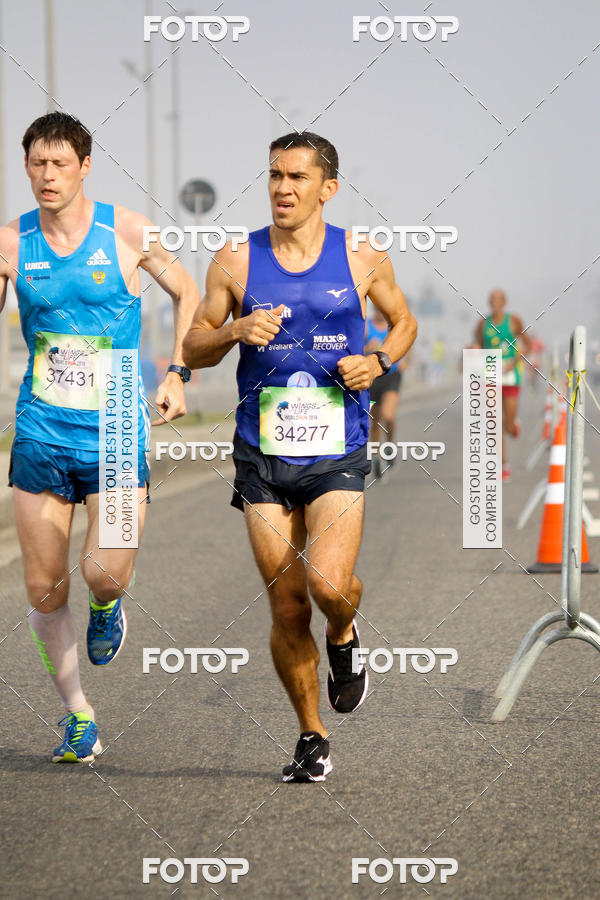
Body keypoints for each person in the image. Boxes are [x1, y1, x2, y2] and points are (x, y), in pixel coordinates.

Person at [183, 131, 417, 782]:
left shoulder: (362, 255)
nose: (282, 188)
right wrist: (233, 329)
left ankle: (343, 634)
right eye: (275, 175)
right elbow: (194, 344)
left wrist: (378, 360)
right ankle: (311, 735)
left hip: (336, 446)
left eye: (297, 177)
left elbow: (403, 322)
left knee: (329, 587)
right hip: (262, 453)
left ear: (327, 188)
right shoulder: (235, 259)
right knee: (288, 605)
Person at [0, 112, 199, 762]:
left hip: (114, 424)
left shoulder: (128, 232)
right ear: (26, 167)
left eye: (60, 163)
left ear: (84, 167)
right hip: (41, 428)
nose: (47, 175)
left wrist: (177, 372)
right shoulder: (11, 242)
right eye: (37, 163)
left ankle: (109, 606)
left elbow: (187, 291)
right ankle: (77, 715)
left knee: (103, 574)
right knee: (42, 586)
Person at [474, 289, 530, 481]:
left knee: (508, 426)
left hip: (511, 375)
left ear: (505, 302)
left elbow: (527, 345)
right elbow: (479, 346)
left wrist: (514, 361)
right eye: (492, 299)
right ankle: (503, 465)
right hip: (491, 374)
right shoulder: (483, 324)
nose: (494, 302)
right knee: (494, 423)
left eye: (498, 299)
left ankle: (513, 426)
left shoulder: (514, 320)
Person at [364, 305, 408, 479]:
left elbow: (406, 343)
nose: (380, 313)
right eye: (377, 310)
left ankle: (389, 446)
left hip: (391, 376)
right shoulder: (367, 327)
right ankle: (375, 458)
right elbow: (356, 349)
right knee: (375, 421)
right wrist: (368, 349)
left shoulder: (393, 327)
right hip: (374, 377)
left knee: (388, 416)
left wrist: (405, 360)